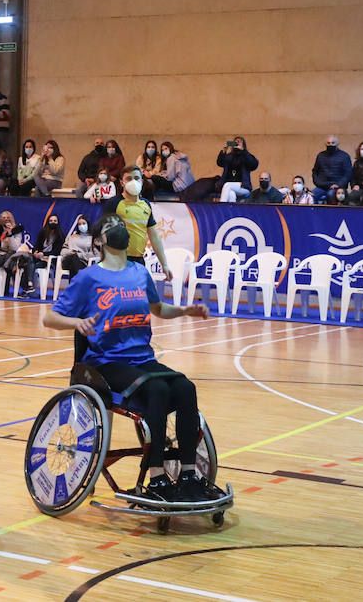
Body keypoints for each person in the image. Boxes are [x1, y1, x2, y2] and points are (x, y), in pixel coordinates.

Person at [44, 215, 218, 503]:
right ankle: (156, 476)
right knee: (158, 390)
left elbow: (159, 308)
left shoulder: (139, 272)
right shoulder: (89, 277)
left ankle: (189, 474)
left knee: (186, 388)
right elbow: (50, 317)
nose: (120, 231)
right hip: (106, 361)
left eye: (122, 226)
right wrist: (76, 323)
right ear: (99, 240)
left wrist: (186, 311)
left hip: (141, 358)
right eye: (112, 227)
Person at [102, 167, 172, 274]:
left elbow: (154, 236)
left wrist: (165, 265)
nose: (133, 181)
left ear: (142, 181)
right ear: (122, 183)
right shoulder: (113, 203)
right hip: (117, 261)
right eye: (129, 179)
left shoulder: (146, 205)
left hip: (138, 262)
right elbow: (102, 233)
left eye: (136, 178)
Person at [310, 135, 352, 203]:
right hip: (322, 186)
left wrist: (338, 185)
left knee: (330, 195)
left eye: (333, 143)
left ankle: (331, 213)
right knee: (310, 196)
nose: (330, 145)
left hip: (337, 186)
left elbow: (348, 174)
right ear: (325, 144)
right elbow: (315, 171)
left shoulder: (344, 156)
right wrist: (318, 183)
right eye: (328, 143)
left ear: (337, 144)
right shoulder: (320, 156)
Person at [216, 136, 259, 203]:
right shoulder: (229, 156)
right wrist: (224, 150)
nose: (237, 143)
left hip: (244, 187)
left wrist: (243, 151)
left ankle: (221, 206)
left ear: (243, 144)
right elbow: (220, 163)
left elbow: (254, 164)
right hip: (230, 187)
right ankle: (231, 212)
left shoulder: (246, 156)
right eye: (235, 142)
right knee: (231, 194)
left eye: (239, 141)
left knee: (227, 185)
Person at [60, 215, 99, 280]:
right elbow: (63, 251)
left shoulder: (93, 238)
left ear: (88, 224)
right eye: (79, 224)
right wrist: (70, 252)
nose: (81, 226)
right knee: (73, 259)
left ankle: (73, 286)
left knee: (74, 262)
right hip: (68, 260)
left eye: (83, 223)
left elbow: (95, 254)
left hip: (84, 262)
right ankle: (79, 284)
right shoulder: (72, 237)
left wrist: (78, 255)